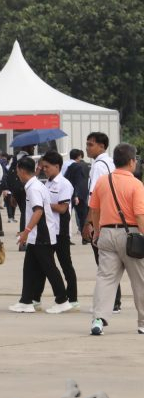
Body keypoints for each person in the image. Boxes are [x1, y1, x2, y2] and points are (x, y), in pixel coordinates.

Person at [84, 143, 144, 336]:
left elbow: (94, 209)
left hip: (106, 233)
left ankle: (98, 319)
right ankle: (142, 322)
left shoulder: (103, 181)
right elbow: (140, 214)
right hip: (132, 235)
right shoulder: (136, 184)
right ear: (132, 161)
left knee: (106, 278)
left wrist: (97, 231)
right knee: (140, 280)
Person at [7, 156, 70, 314]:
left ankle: (62, 300)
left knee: (49, 268)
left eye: (17, 171)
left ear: (21, 171)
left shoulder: (33, 188)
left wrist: (26, 232)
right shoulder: (35, 185)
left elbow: (38, 211)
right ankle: (26, 301)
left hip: (42, 235)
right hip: (38, 235)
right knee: (29, 268)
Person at [85, 132, 121, 313]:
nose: (87, 148)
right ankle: (115, 302)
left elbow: (94, 199)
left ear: (101, 146)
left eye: (91, 145)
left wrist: (90, 224)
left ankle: (111, 303)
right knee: (112, 263)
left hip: (102, 218)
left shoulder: (98, 166)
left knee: (104, 265)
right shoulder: (110, 163)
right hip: (113, 215)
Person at [39, 152, 78, 310]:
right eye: (43, 167)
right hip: (48, 230)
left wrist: (43, 205)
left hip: (61, 231)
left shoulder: (64, 184)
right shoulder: (46, 183)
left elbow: (62, 208)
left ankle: (73, 298)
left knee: (65, 264)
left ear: (57, 166)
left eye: (47, 167)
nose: (44, 170)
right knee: (46, 264)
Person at [64, 149, 90, 240]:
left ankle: (65, 236)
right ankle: (85, 237)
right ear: (79, 156)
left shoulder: (65, 165)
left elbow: (66, 179)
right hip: (81, 194)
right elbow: (79, 182)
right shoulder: (84, 166)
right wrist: (77, 195)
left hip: (68, 194)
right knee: (82, 216)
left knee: (66, 216)